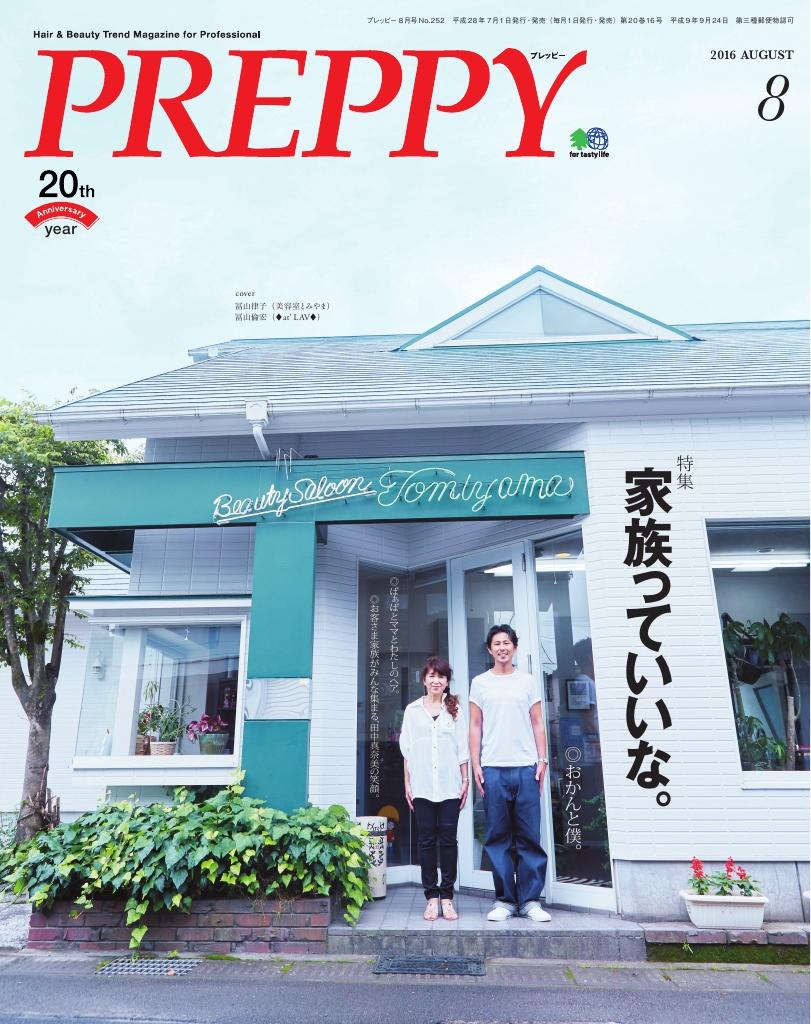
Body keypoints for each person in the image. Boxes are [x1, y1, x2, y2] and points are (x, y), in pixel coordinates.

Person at [469, 624, 551, 923]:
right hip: (493, 768)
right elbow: (475, 725)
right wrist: (476, 764)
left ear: (514, 647)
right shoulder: (480, 683)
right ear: (489, 649)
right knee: (497, 837)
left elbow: (537, 722)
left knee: (529, 836)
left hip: (526, 767)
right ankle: (504, 900)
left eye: (507, 643)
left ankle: (530, 901)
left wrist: (542, 759)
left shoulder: (527, 681)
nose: (502, 647)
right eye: (497, 643)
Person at [400, 656, 469, 921]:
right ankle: (431, 897)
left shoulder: (455, 710)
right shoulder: (412, 711)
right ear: (424, 680)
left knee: (449, 840)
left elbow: (462, 749)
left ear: (447, 681)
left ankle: (447, 897)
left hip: (450, 786)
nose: (436, 680)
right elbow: (407, 751)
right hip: (422, 786)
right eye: (431, 676)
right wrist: (407, 783)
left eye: (441, 676)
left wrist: (465, 781)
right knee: (426, 841)